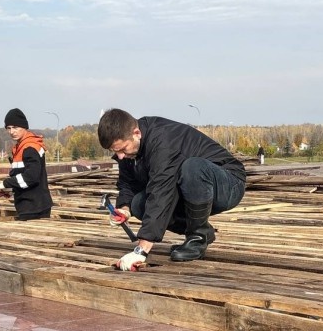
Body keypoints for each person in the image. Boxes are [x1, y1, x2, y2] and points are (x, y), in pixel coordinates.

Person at [98, 108, 246, 271]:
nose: (120, 156)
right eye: (115, 151)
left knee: (192, 168)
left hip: (228, 183)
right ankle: (203, 231)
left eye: (123, 149)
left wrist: (141, 250)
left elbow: (161, 193)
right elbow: (128, 183)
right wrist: (124, 209)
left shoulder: (163, 141)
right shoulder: (129, 150)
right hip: (192, 187)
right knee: (139, 204)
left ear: (137, 133)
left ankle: (197, 237)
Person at [0, 108, 53, 220]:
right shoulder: (21, 147)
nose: (12, 132)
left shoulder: (29, 148)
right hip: (31, 205)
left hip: (34, 207)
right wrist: (11, 189)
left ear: (24, 127)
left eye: (15, 127)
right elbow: (22, 175)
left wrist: (5, 184)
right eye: (8, 128)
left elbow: (31, 177)